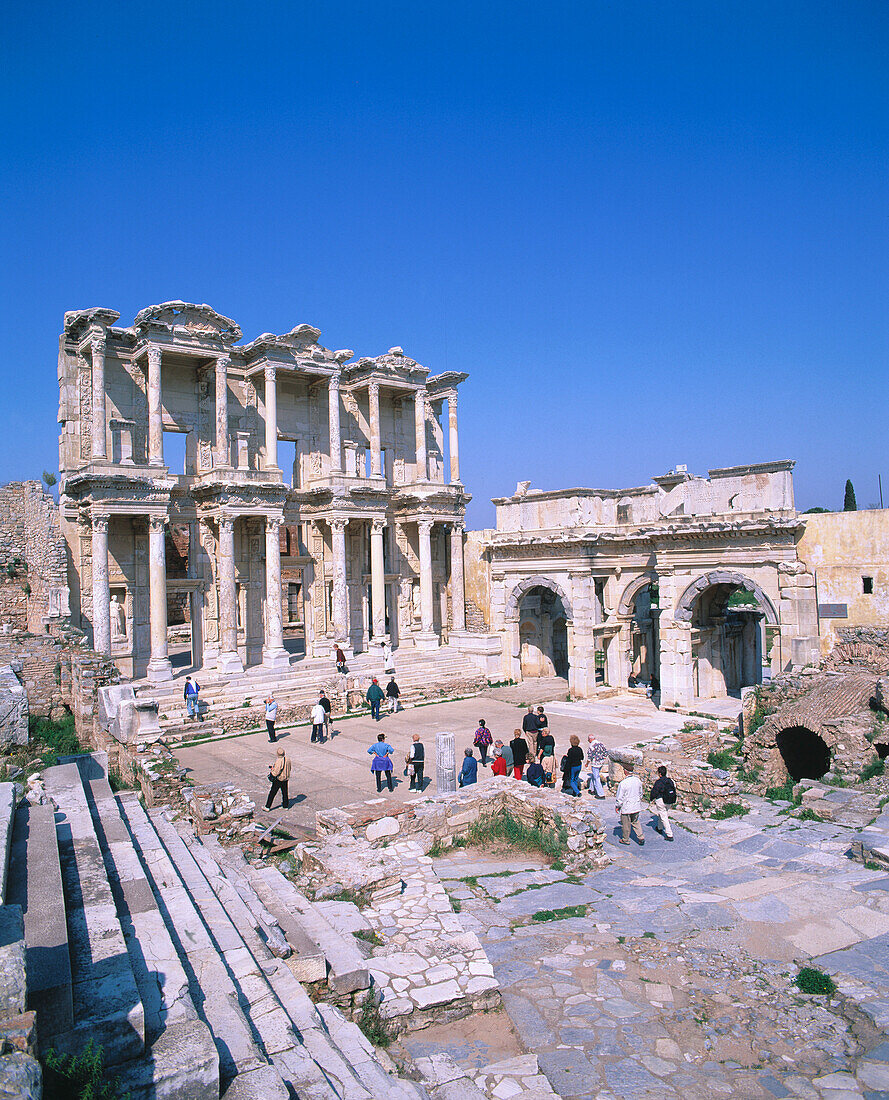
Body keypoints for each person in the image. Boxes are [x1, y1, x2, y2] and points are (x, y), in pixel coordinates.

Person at [615, 761, 645, 845]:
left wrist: (618, 806)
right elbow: (640, 793)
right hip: (636, 805)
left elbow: (620, 797)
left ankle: (625, 839)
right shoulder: (637, 781)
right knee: (635, 822)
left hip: (626, 807)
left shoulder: (623, 783)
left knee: (626, 824)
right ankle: (640, 836)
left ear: (625, 771)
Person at [649, 765, 676, 841]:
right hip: (669, 801)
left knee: (664, 817)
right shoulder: (670, 781)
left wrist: (651, 799)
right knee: (662, 813)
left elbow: (654, 792)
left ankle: (669, 834)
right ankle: (659, 827)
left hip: (661, 801)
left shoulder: (659, 782)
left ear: (660, 773)